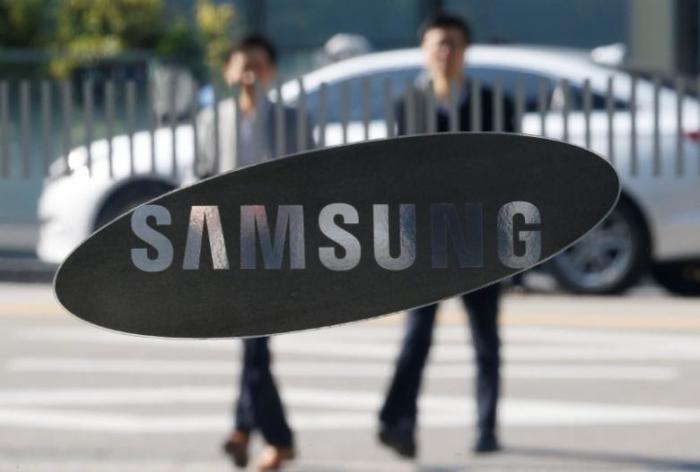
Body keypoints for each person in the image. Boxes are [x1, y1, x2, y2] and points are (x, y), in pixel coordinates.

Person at [377, 13, 515, 458]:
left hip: (479, 241)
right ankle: (398, 423)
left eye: (454, 44)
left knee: (486, 339)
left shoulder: (494, 104)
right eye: (439, 44)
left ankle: (486, 427)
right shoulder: (406, 106)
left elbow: (511, 174)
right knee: (416, 336)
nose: (446, 52)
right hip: (425, 245)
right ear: (425, 50)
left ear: (465, 50)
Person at [197, 35, 313, 471]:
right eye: (242, 66)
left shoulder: (292, 120)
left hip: (277, 244)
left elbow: (310, 183)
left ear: (271, 72)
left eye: (258, 66)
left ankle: (258, 434)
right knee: (253, 344)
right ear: (228, 72)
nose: (249, 75)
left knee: (255, 340)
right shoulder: (213, 119)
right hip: (229, 243)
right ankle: (258, 433)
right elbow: (200, 181)